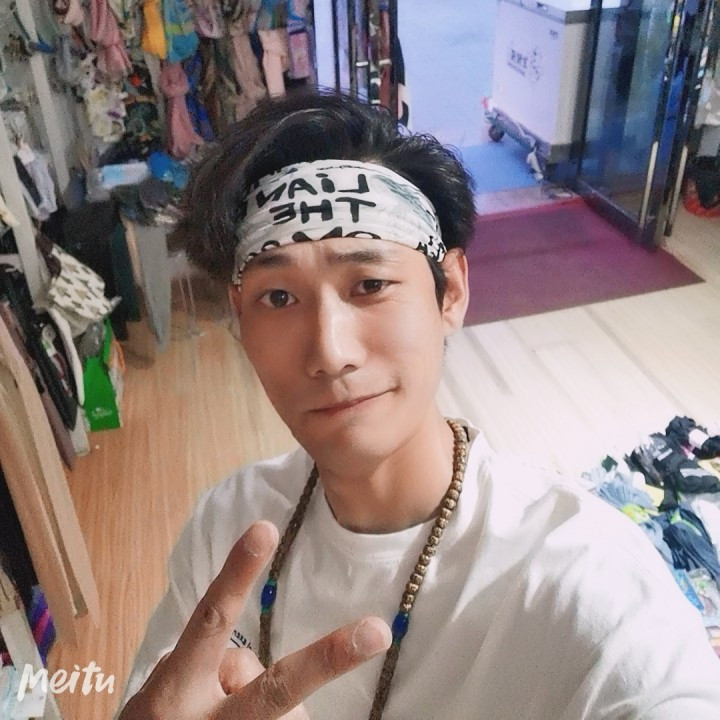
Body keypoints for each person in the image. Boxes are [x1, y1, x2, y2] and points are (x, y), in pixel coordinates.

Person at [117, 90, 720, 720]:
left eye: (370, 284)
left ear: (449, 291)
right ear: (241, 318)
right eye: (279, 297)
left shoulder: (584, 585)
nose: (330, 352)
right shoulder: (226, 530)